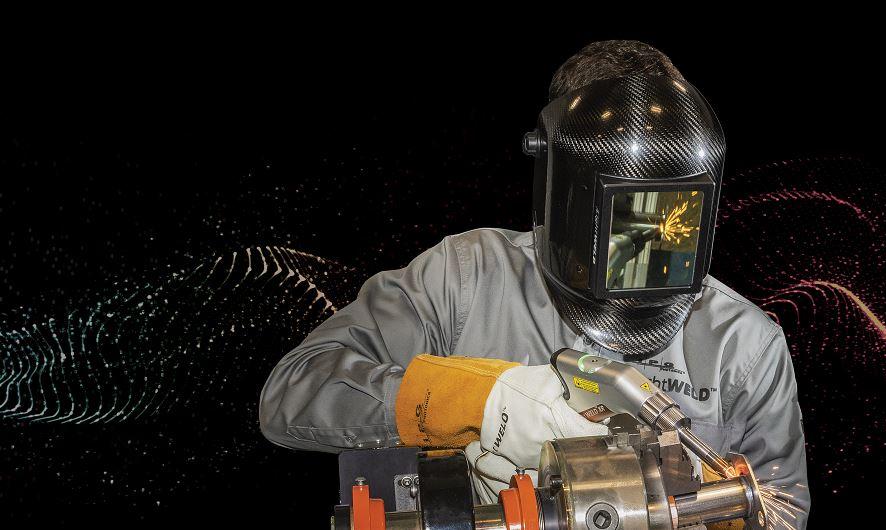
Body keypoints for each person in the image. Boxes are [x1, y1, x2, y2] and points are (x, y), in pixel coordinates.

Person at [259, 40, 810, 527]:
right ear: (564, 185)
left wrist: (706, 513)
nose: (642, 243)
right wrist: (480, 401)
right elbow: (293, 393)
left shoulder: (744, 344)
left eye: (663, 211)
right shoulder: (464, 278)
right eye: (624, 211)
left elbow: (783, 508)